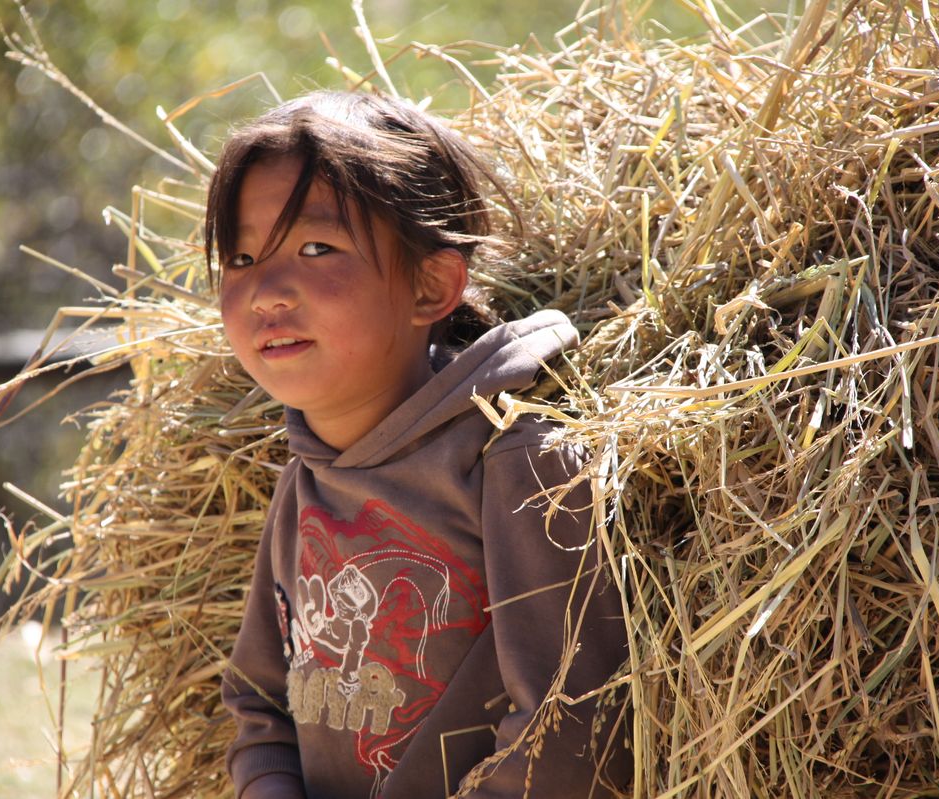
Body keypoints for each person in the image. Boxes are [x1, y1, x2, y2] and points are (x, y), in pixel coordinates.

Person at [206, 91, 628, 799]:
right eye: (242, 256)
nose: (265, 290)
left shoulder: (516, 460)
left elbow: (569, 724)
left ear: (430, 285)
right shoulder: (302, 486)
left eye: (315, 247)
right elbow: (259, 706)